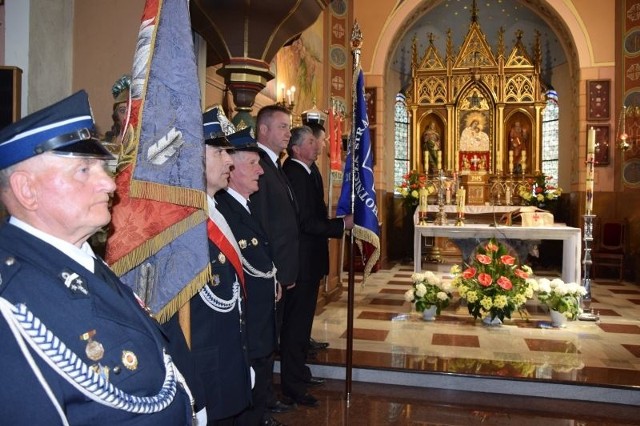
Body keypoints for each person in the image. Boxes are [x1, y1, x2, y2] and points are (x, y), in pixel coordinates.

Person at [0, 91, 195, 424]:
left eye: (103, 168)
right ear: (26, 190)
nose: (109, 184)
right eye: (84, 170)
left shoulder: (83, 259)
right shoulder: (12, 300)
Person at [215, 127, 284, 426]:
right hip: (248, 323)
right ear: (233, 170)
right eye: (253, 164)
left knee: (260, 388)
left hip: (260, 317)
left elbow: (258, 256)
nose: (261, 171)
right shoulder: (223, 210)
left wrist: (273, 278)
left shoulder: (244, 205)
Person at [281, 125, 354, 407]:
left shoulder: (310, 171)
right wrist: (339, 225)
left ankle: (300, 372)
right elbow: (305, 222)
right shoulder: (295, 174)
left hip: (310, 261)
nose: (318, 145)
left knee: (302, 326)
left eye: (316, 141)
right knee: (295, 327)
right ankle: (293, 386)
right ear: (297, 148)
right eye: (311, 142)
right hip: (299, 262)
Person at [190, 107, 253, 424]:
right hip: (204, 377)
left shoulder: (213, 210)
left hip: (227, 364)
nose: (230, 160)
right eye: (220, 151)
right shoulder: (181, 225)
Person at [249, 104, 299, 415]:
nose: (288, 134)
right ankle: (261, 403)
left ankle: (266, 398)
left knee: (272, 338)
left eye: (289, 128)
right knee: (263, 342)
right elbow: (261, 224)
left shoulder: (275, 165)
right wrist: (273, 272)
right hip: (270, 271)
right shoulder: (259, 167)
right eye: (283, 127)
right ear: (264, 129)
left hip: (280, 270)